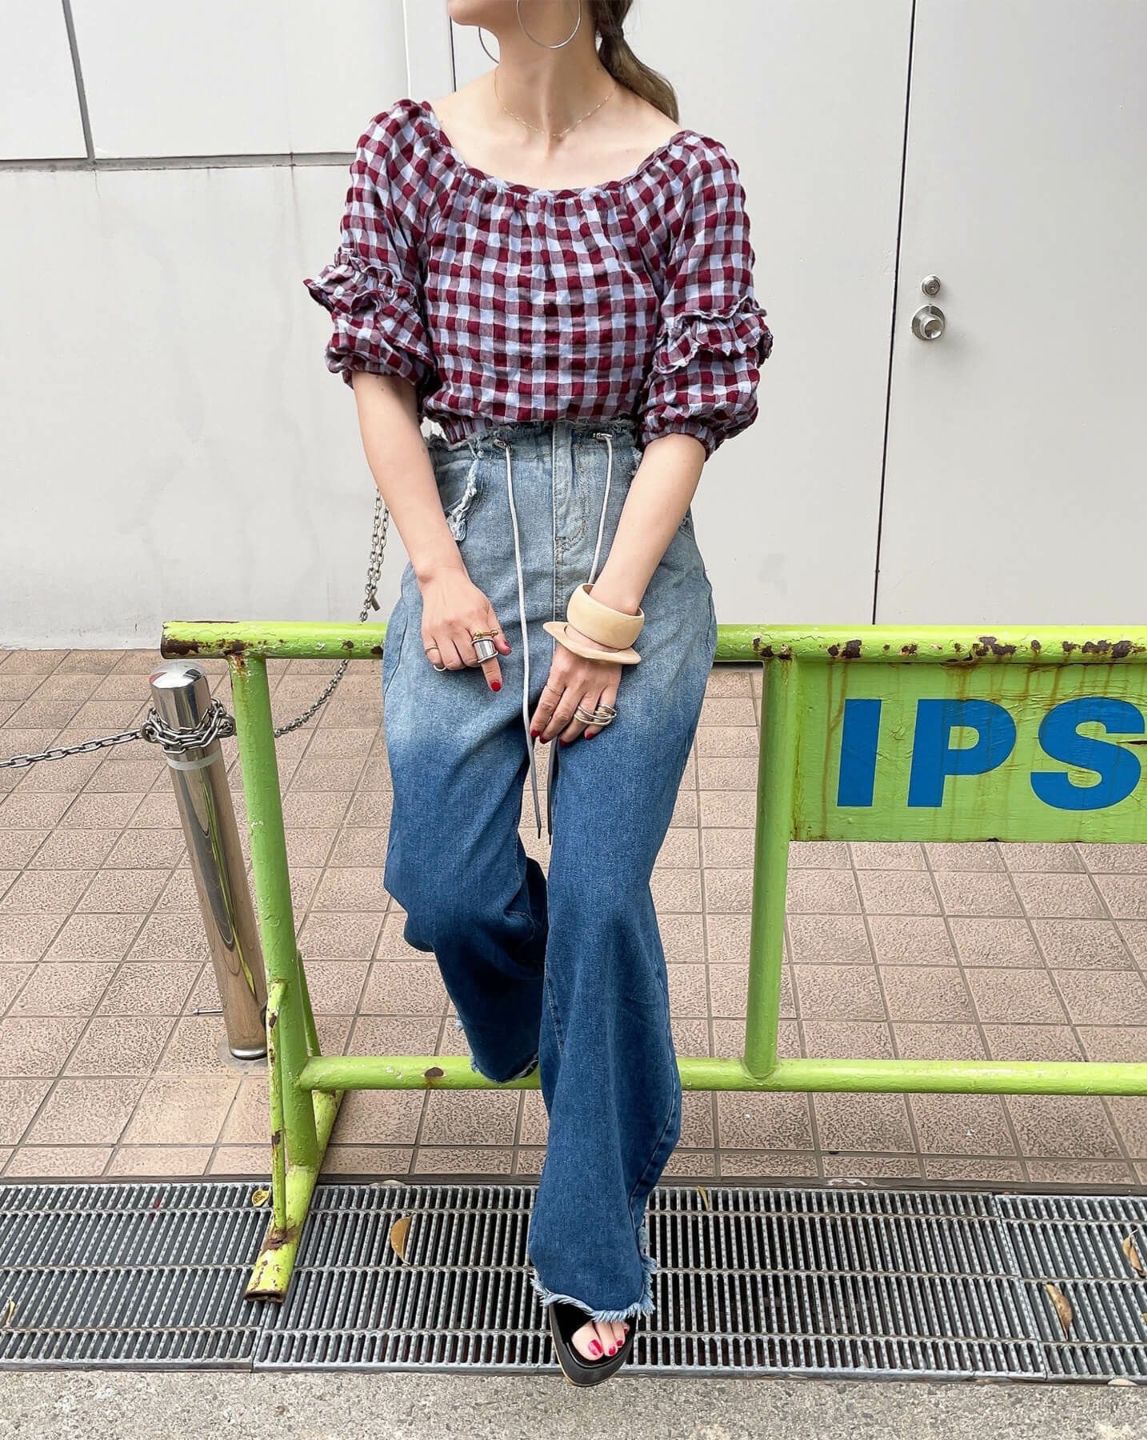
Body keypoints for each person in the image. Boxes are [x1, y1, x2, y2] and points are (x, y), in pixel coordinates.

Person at [303, 0, 772, 1387]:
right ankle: (575, 1032)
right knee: (445, 885)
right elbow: (377, 372)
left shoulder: (690, 173)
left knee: (606, 902)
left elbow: (693, 411)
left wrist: (610, 618)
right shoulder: (407, 151)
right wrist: (438, 574)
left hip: (632, 546)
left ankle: (591, 1253)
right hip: (467, 534)